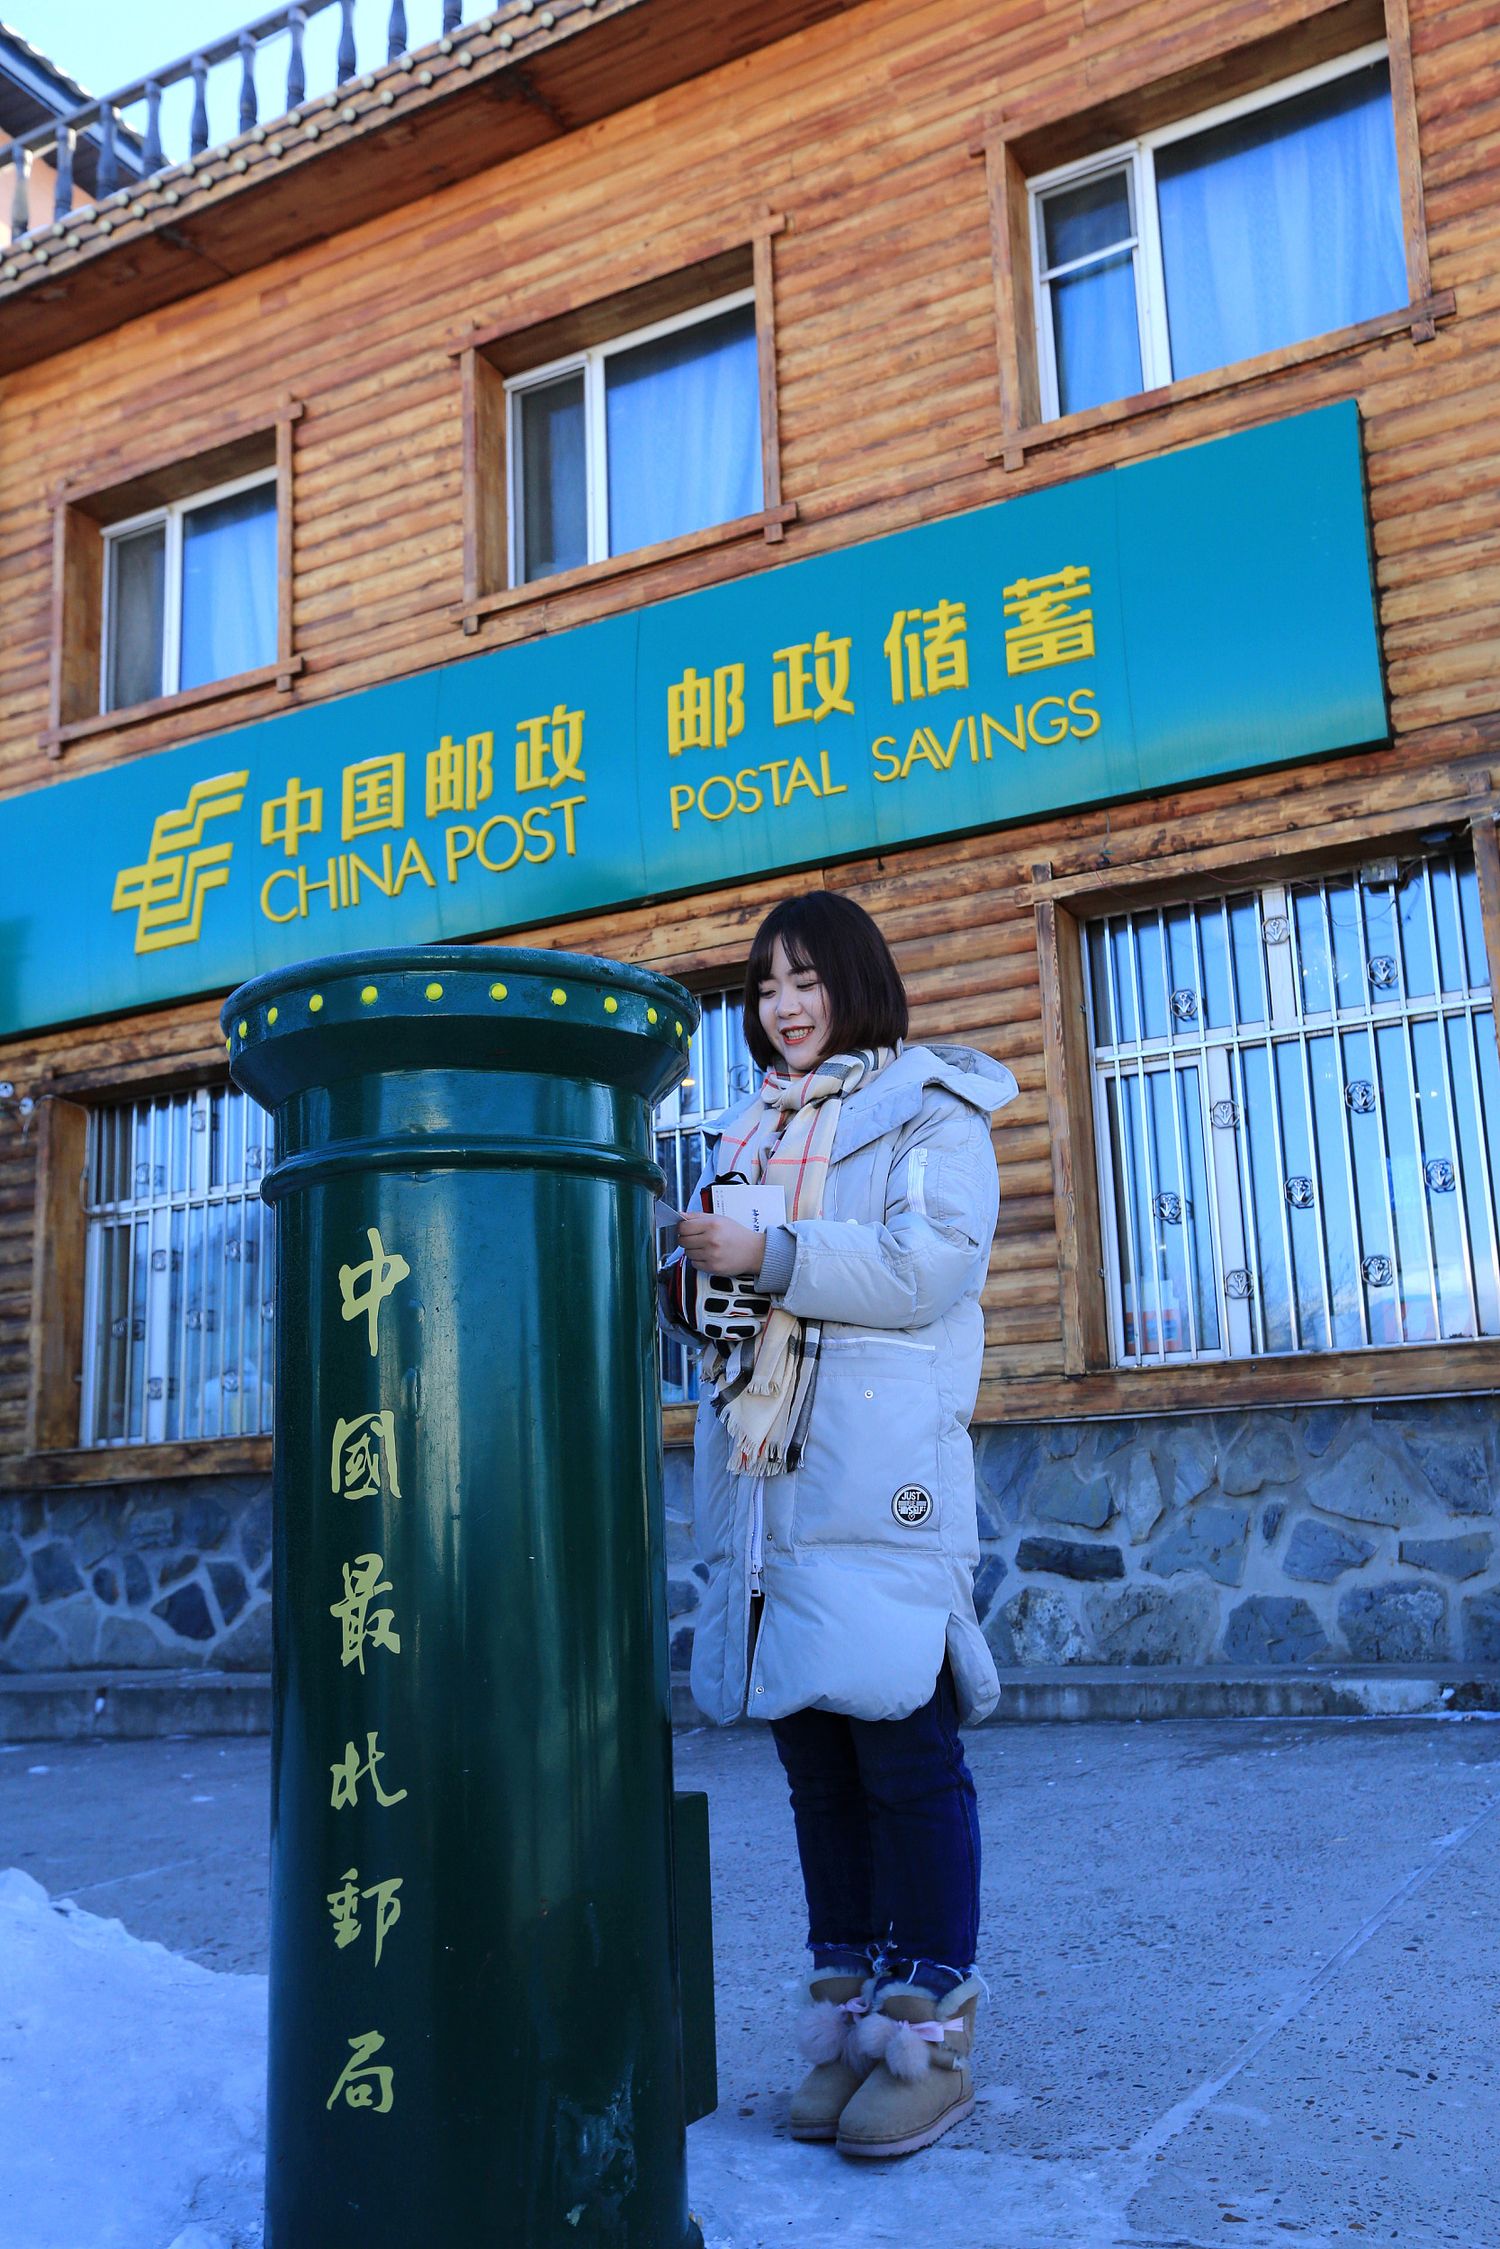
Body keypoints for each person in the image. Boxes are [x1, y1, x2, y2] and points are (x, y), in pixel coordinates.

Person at [661, 890, 1015, 2159]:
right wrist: (698, 1278)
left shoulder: (934, 1110)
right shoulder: (750, 1127)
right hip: (769, 1486)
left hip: (877, 1474)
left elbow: (929, 1268)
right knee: (815, 1758)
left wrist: (764, 1246)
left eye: (805, 979)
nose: (784, 1007)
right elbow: (738, 1301)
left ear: (855, 981)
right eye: (764, 988)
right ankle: (848, 2002)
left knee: (904, 1745)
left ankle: (931, 2021)